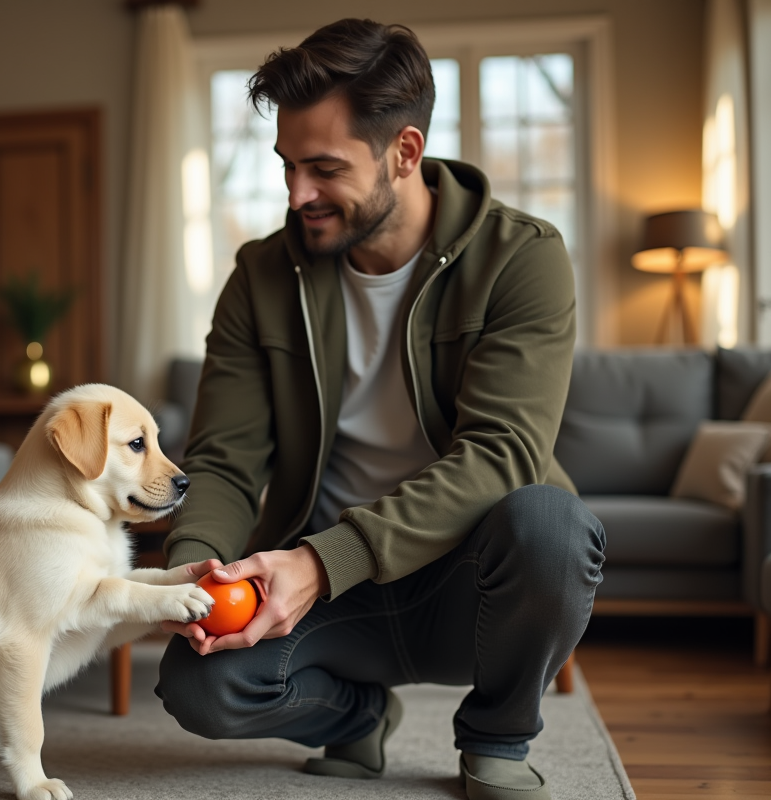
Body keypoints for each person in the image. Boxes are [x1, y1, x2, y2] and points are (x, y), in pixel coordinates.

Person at [154, 18, 606, 800]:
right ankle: (355, 718)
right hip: (324, 591)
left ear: (404, 151)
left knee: (551, 527)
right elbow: (224, 460)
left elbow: (500, 454)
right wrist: (192, 575)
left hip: (465, 585)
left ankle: (498, 738)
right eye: (288, 166)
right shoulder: (261, 278)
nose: (297, 195)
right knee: (197, 687)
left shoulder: (521, 257)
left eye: (324, 168)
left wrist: (325, 564)